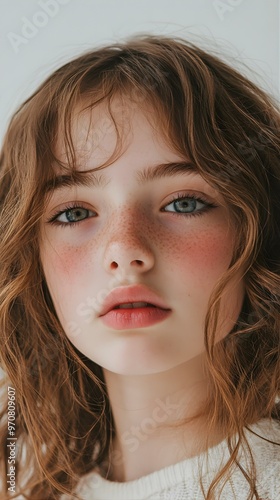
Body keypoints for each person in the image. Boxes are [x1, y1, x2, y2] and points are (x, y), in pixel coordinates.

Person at [0, 33, 279, 500]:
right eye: (74, 213)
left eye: (184, 202)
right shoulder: (23, 482)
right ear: (32, 256)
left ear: (259, 231)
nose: (125, 250)